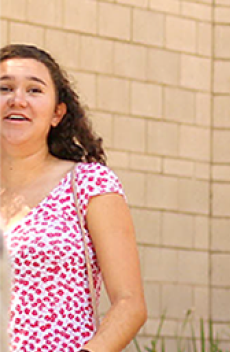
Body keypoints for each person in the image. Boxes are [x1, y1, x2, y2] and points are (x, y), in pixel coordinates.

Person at [0, 44, 147, 352]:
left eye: (34, 90)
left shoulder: (89, 184)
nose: (17, 100)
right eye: (4, 88)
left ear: (57, 113)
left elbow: (129, 304)